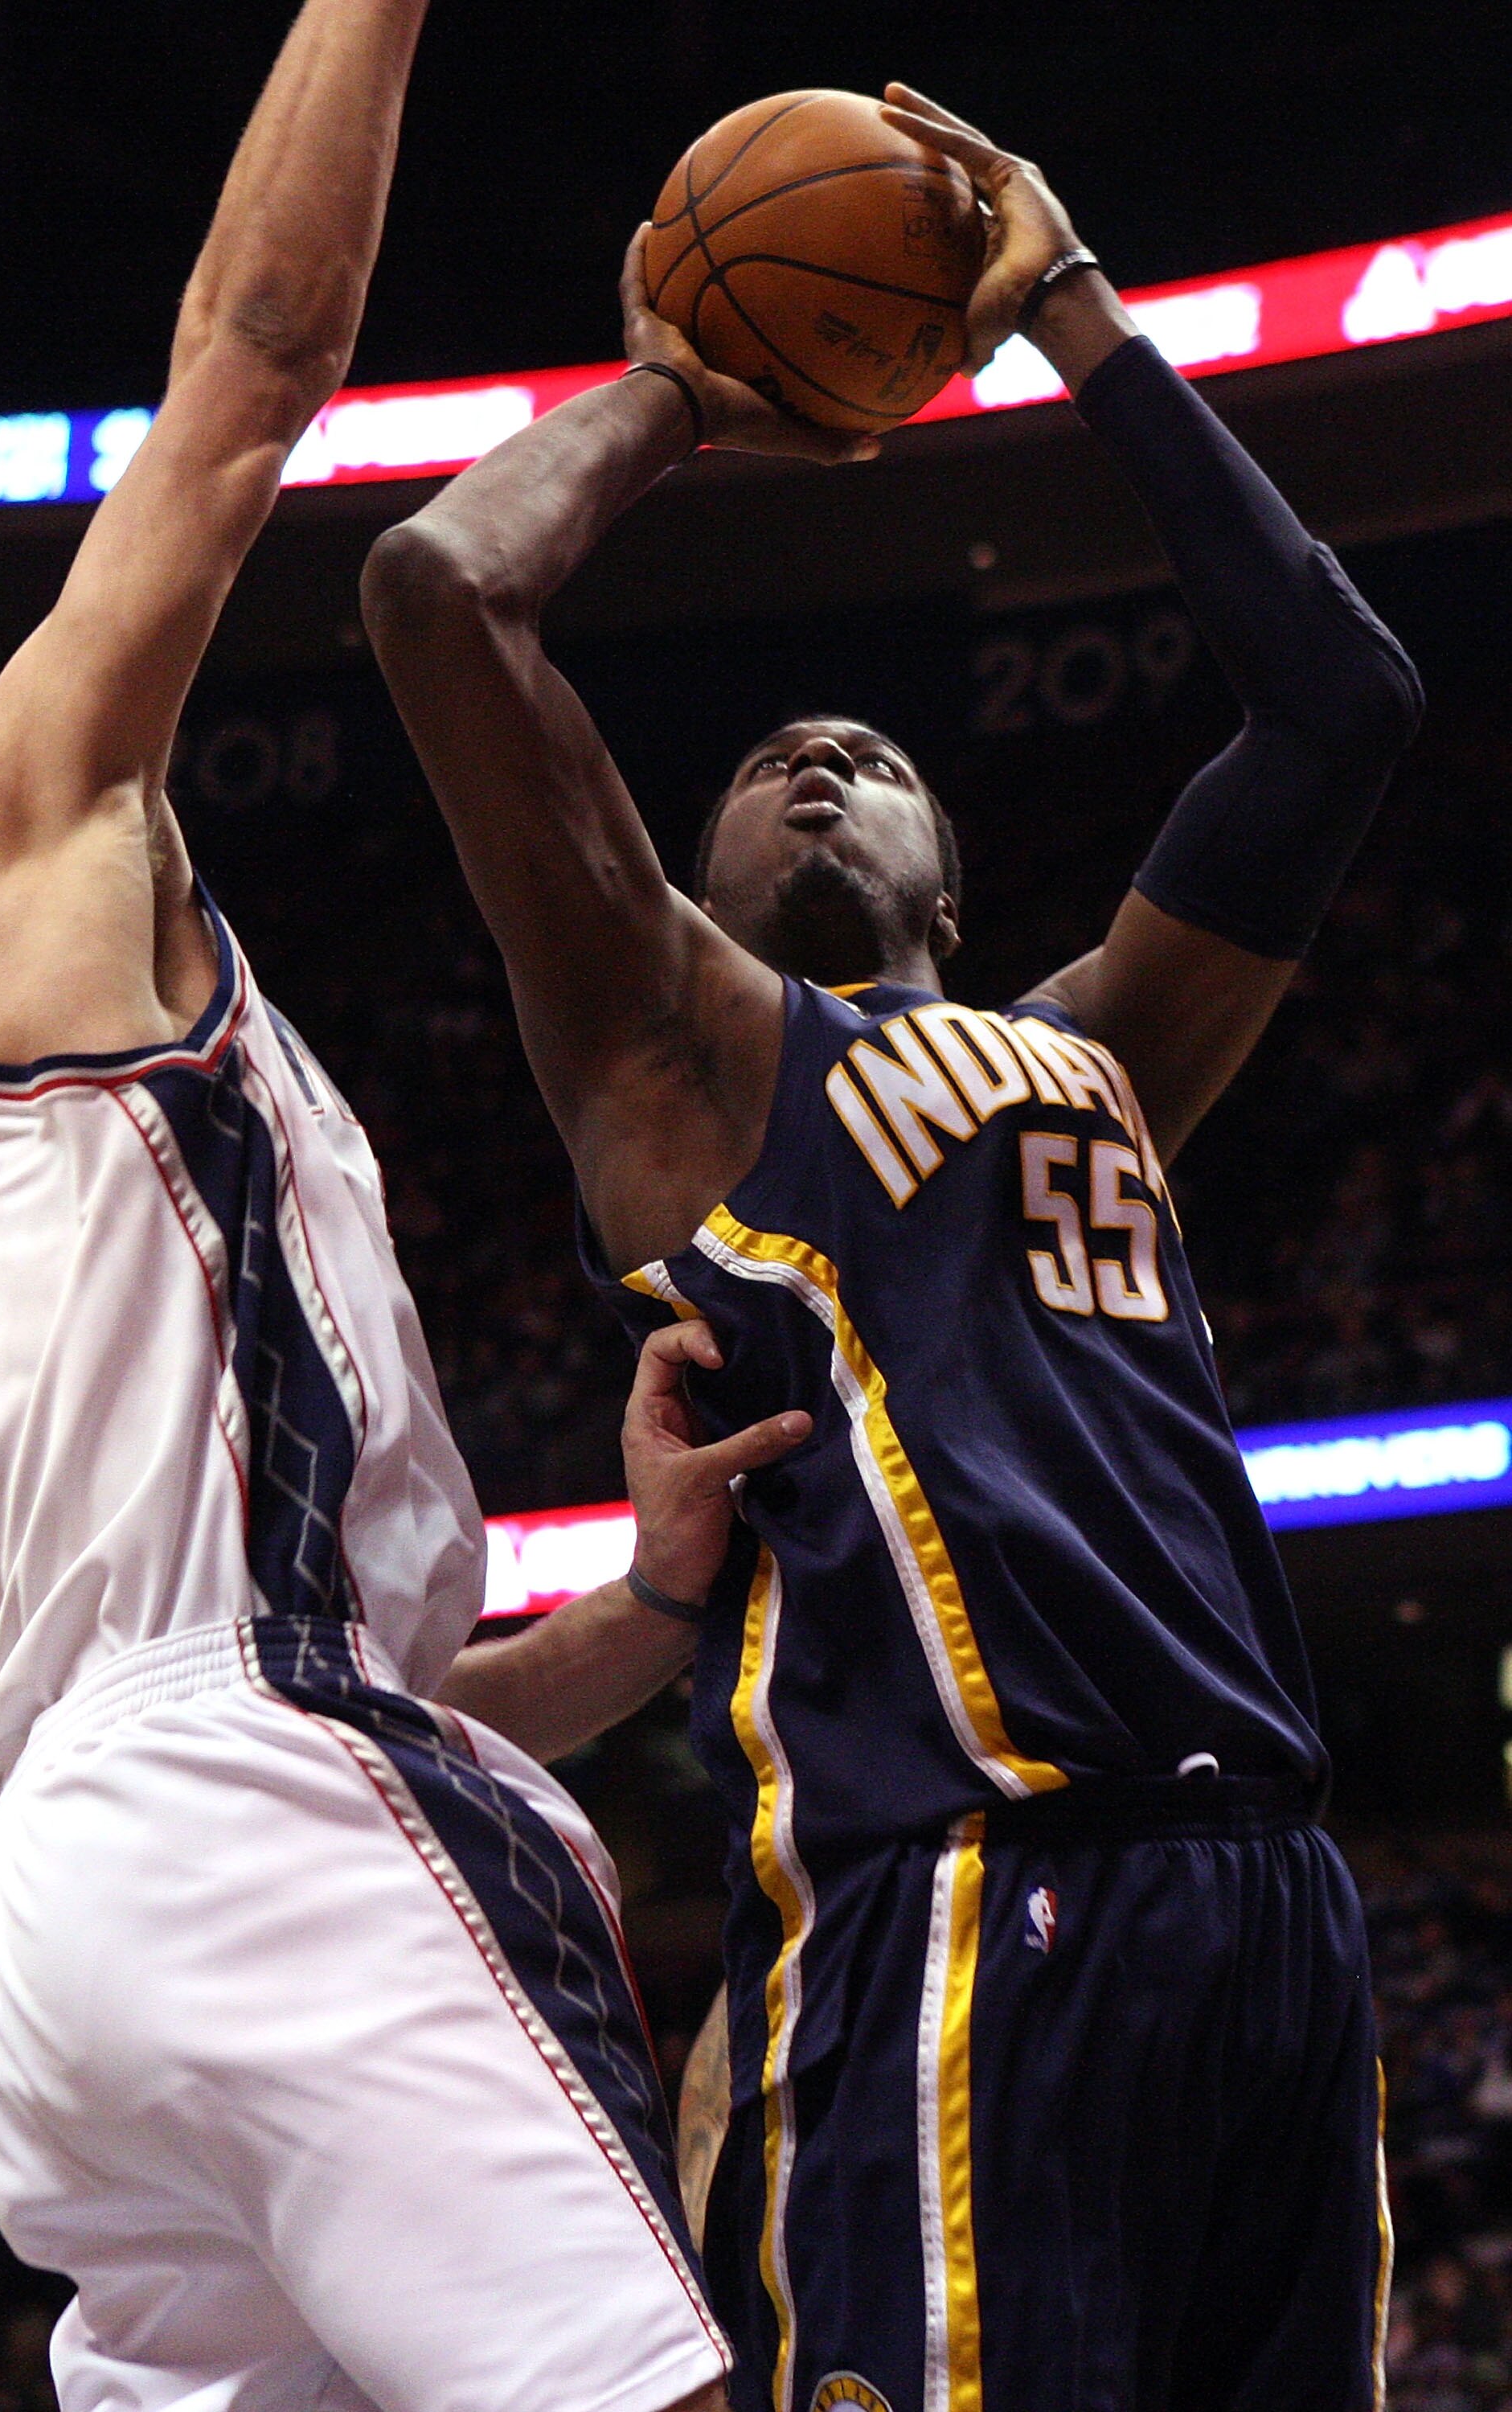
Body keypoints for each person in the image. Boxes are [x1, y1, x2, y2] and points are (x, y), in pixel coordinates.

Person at [0, 8, 818, 2409]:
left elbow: (363, 1688)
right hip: (236, 1835)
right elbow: (253, 365)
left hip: (68, 1939)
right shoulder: (13, 912)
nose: (47, 716)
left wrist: (653, 1599)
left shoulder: (16, 1223)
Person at [360, 84, 1424, 2412]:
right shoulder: (679, 1051)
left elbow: (1344, 695)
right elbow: (439, 589)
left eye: (865, 751)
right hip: (968, 1900)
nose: (817, 760)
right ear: (692, 871)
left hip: (1273, 1904)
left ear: (954, 856)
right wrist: (677, 394)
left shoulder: (1115, 1042)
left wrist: (1070, 307)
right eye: (764, 766)